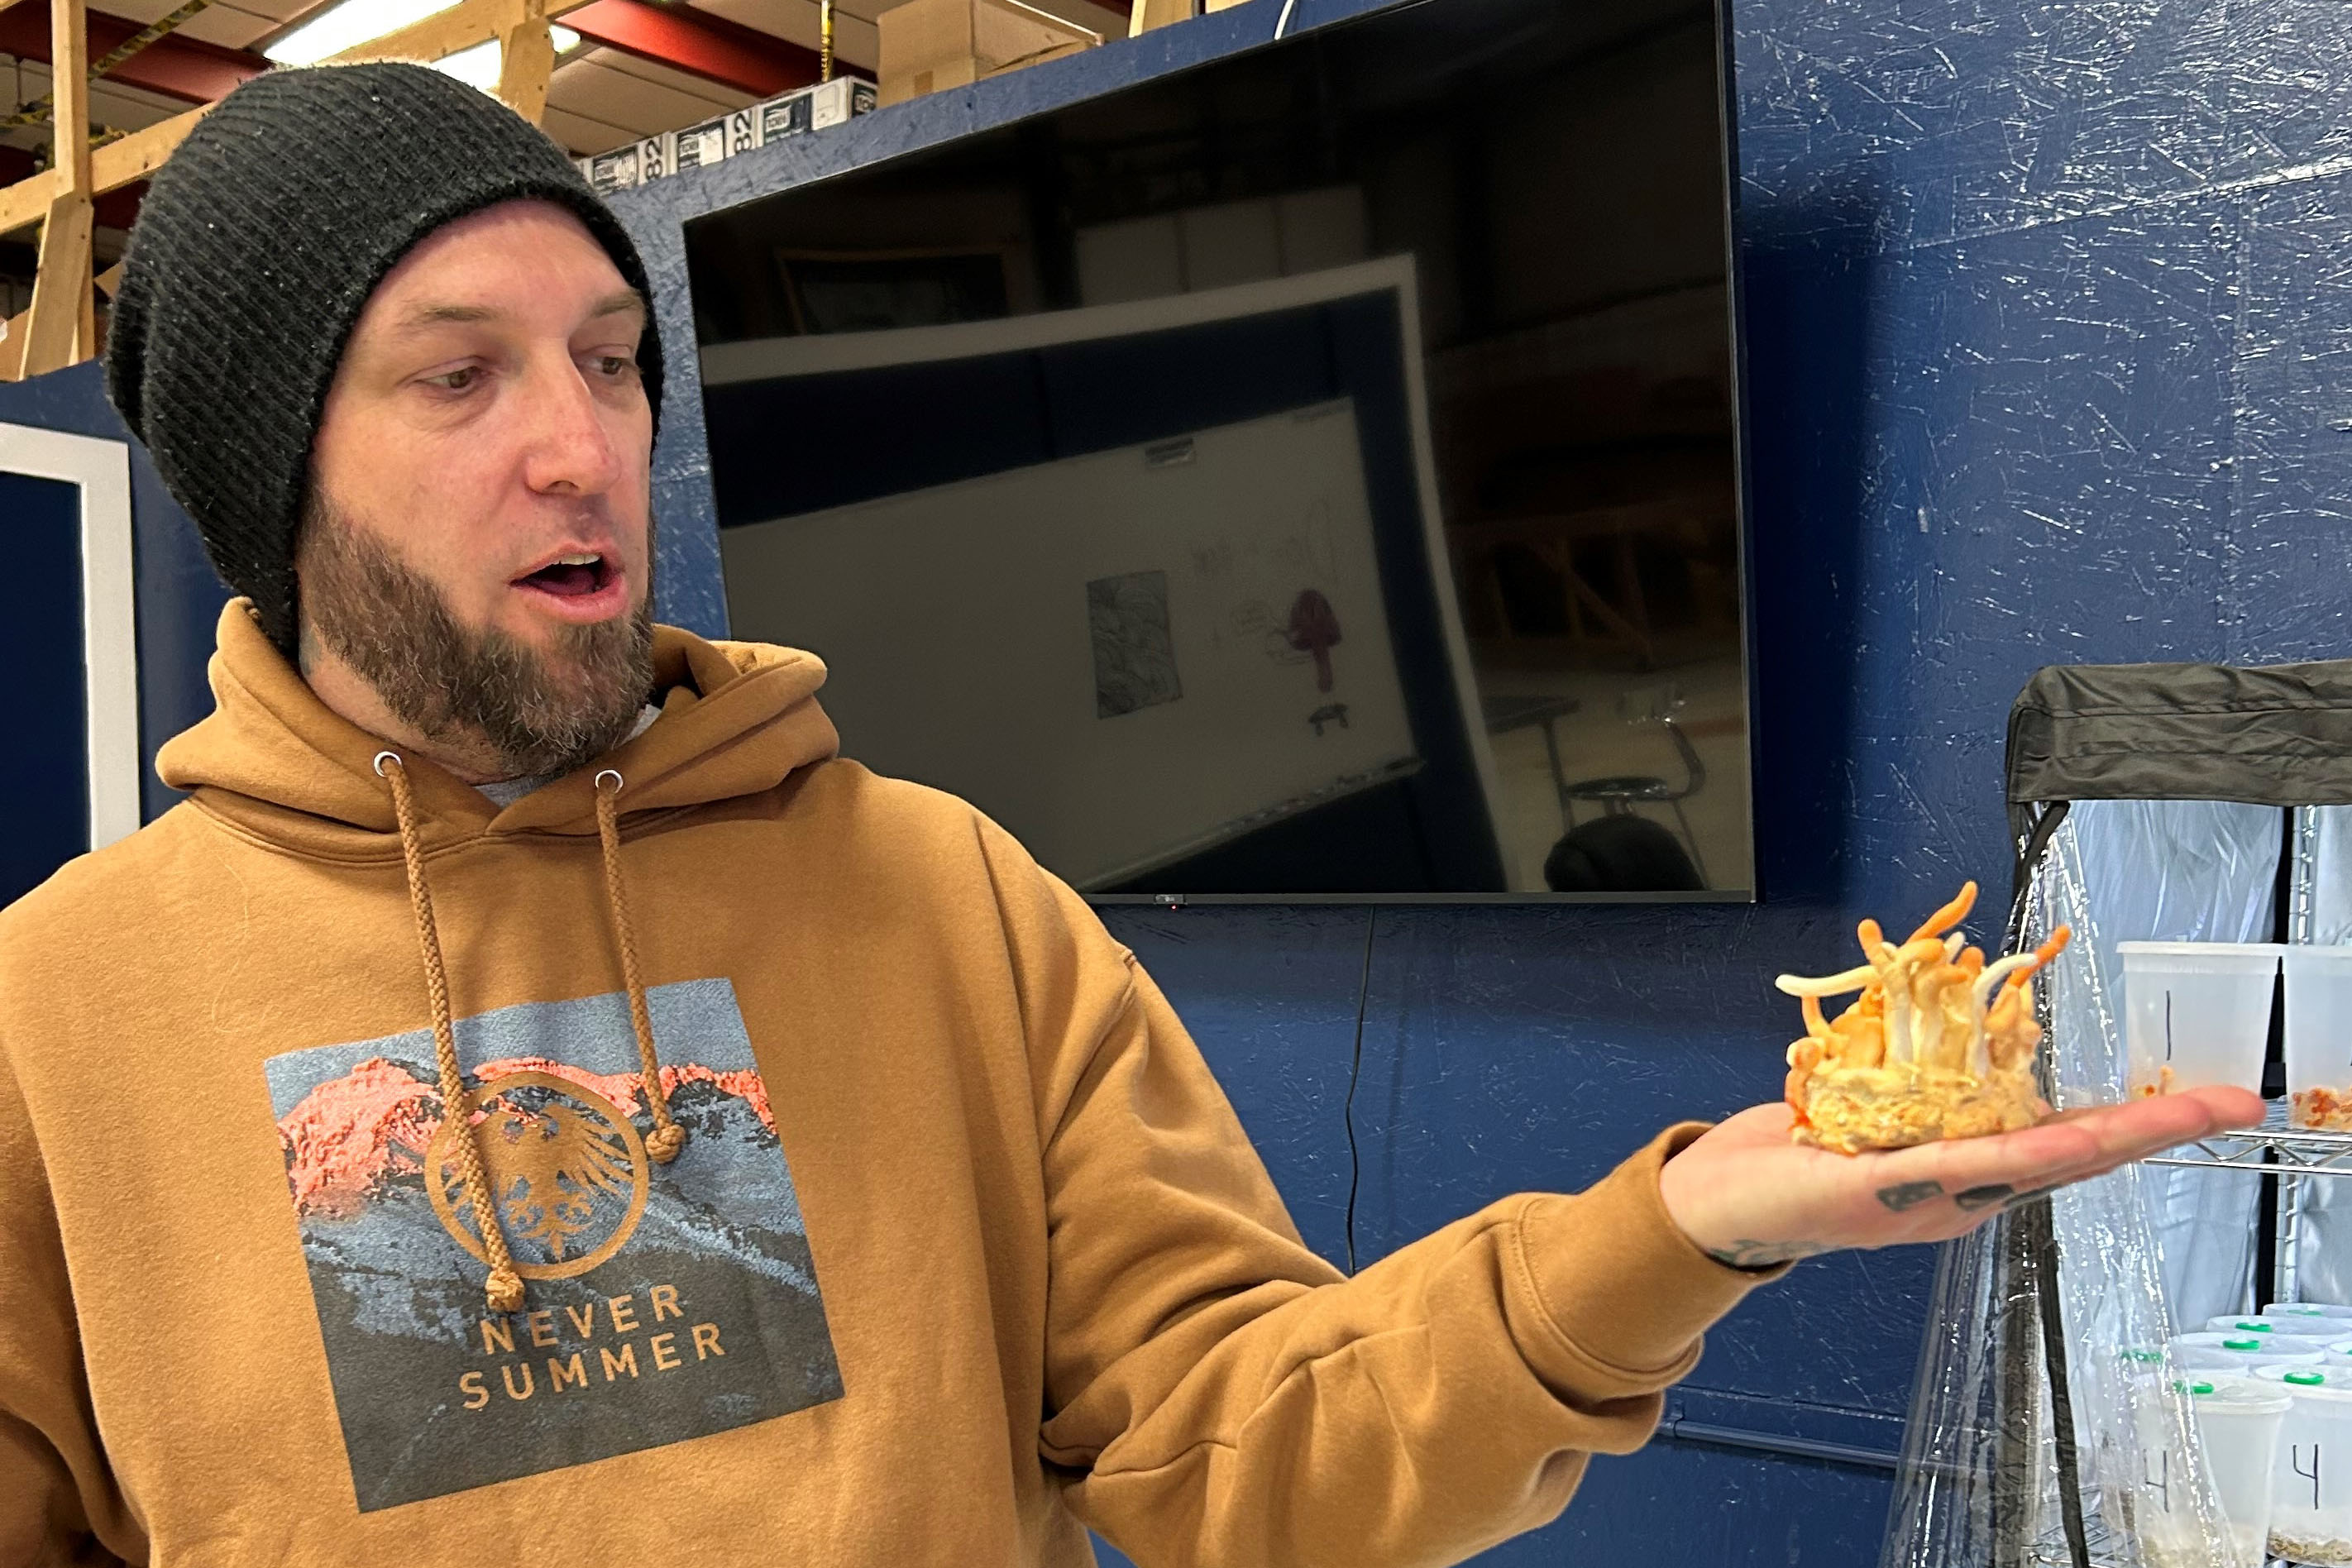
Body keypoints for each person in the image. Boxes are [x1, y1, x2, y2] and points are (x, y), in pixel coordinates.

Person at [0, 64, 2257, 1566]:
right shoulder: (57, 1014)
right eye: (458, 373)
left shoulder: (940, 897)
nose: (581, 444)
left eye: (607, 356)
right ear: (273, 479)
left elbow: (1243, 1447)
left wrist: (1680, 1231)